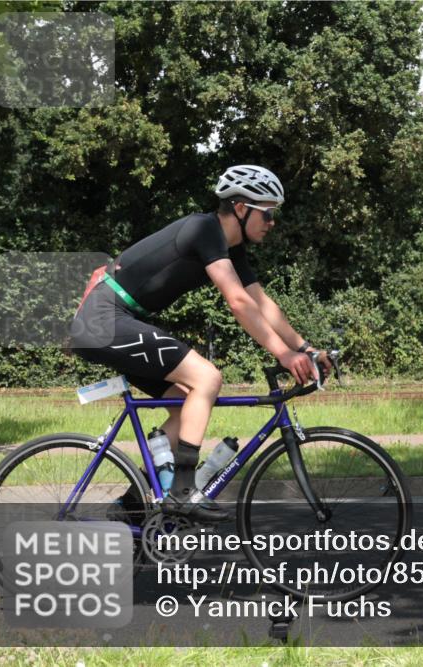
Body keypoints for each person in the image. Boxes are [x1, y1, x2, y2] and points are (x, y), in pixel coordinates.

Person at [70, 165, 330, 522]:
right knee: (207, 378)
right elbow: (238, 302)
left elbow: (261, 303)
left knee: (186, 406)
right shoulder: (204, 229)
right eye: (268, 213)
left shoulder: (231, 249)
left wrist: (304, 348)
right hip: (104, 320)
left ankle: (131, 508)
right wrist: (282, 354)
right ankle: (182, 492)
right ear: (241, 208)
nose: (272, 222)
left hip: (113, 320)